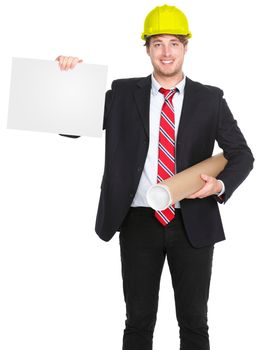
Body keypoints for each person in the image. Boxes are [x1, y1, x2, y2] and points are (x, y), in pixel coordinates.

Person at [56, 4, 254, 350]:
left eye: (174, 43)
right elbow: (71, 127)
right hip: (137, 221)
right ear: (146, 48)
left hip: (192, 220)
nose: (166, 52)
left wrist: (219, 186)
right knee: (138, 322)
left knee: (194, 323)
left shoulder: (210, 99)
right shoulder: (122, 94)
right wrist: (70, 80)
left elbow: (242, 155)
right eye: (158, 43)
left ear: (185, 47)